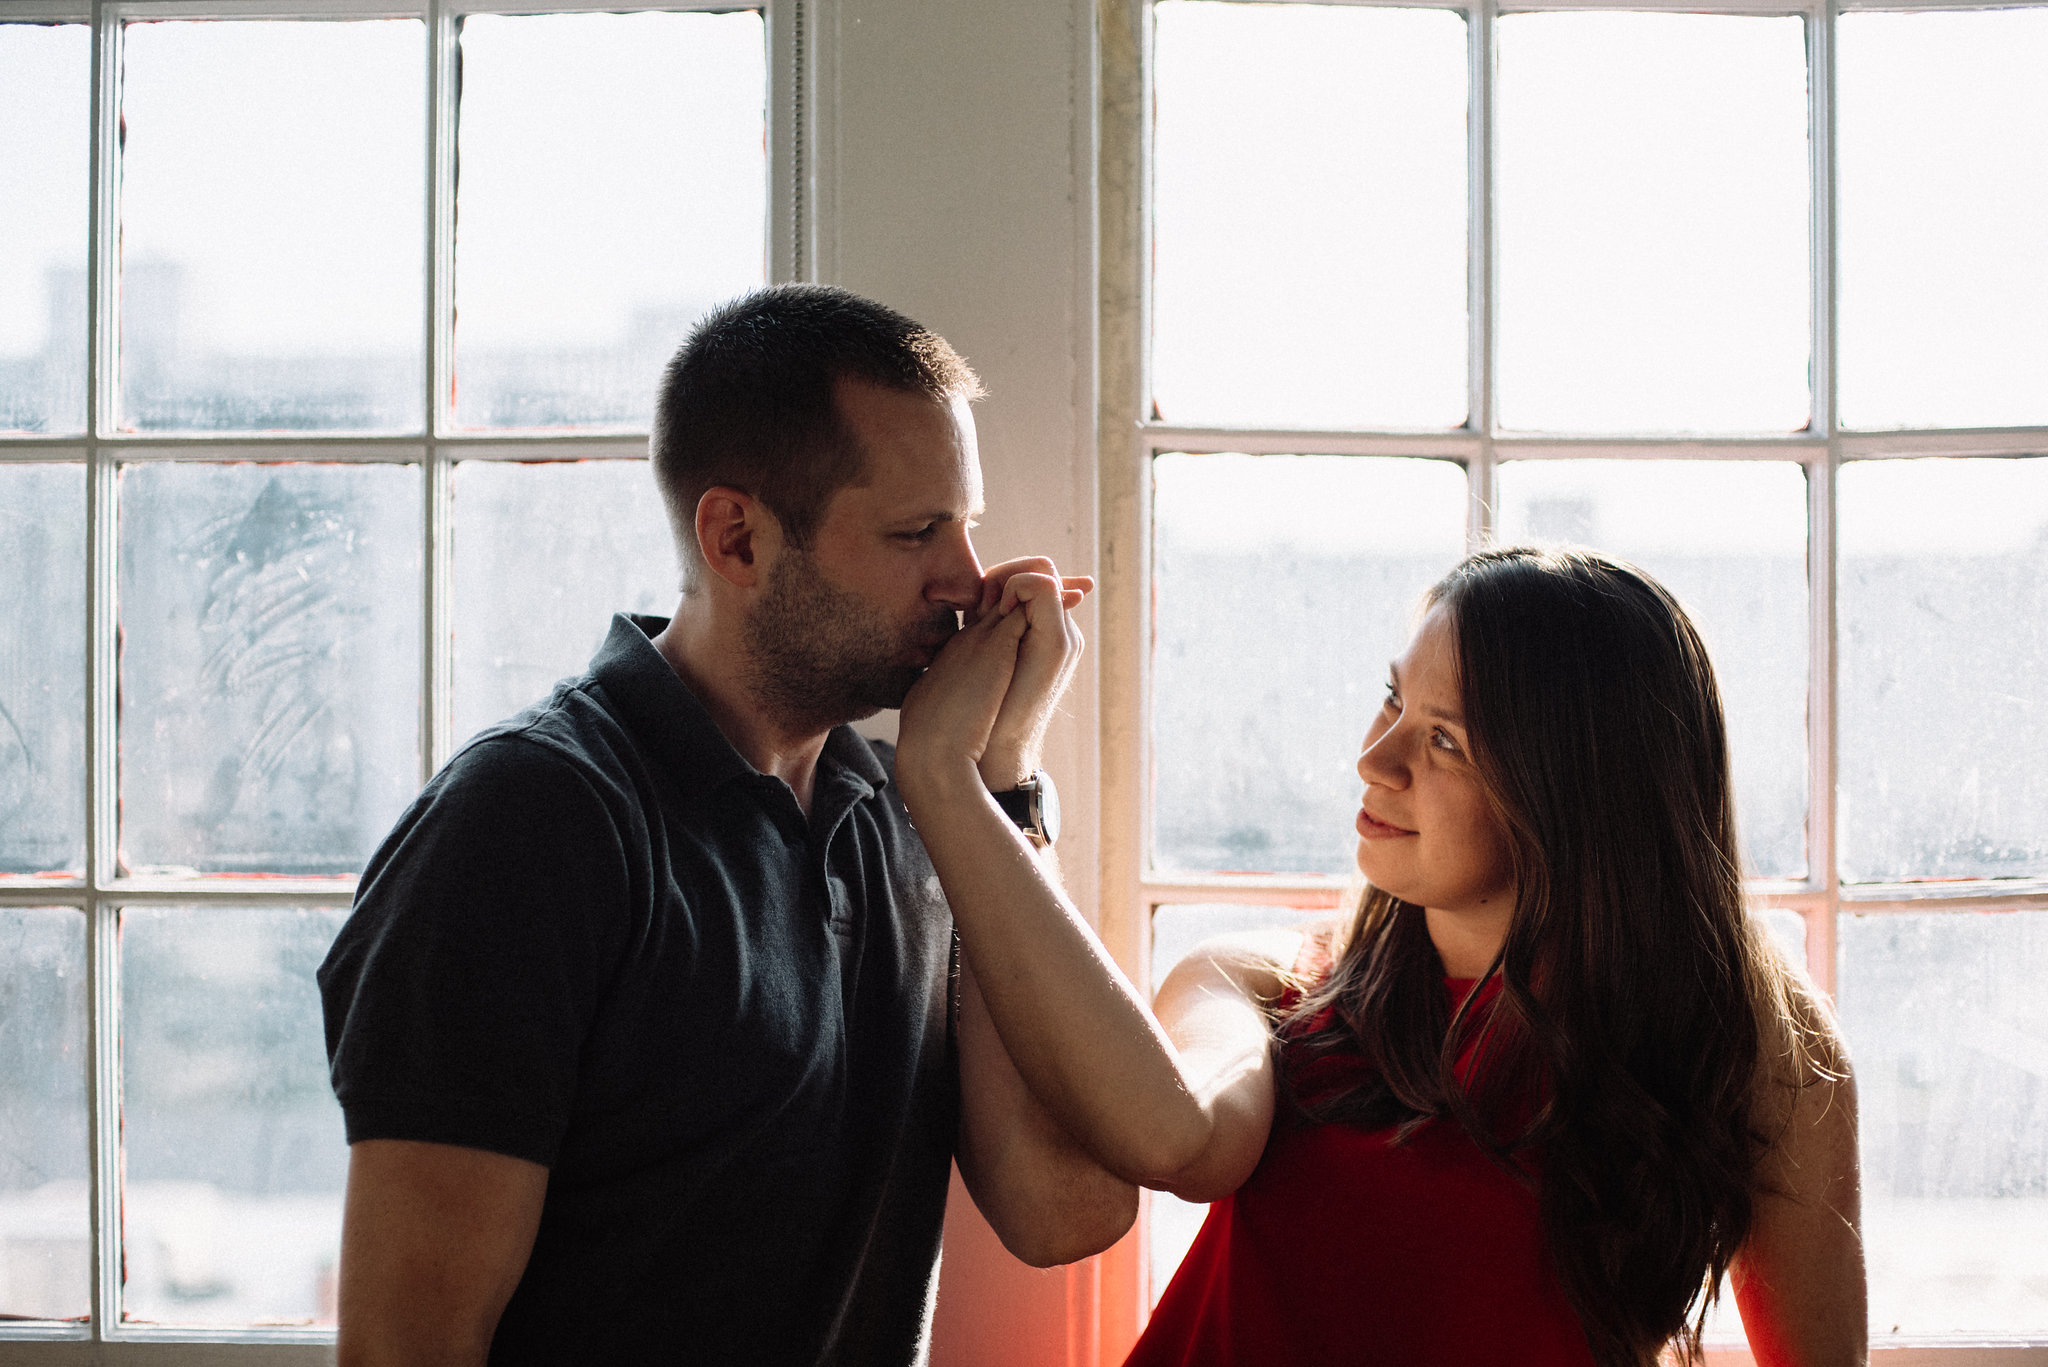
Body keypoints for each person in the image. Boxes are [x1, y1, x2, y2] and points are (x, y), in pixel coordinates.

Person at [317, 284, 1130, 1367]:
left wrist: (1000, 774)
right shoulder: (525, 825)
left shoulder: (915, 813)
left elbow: (1062, 1208)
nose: (967, 581)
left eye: (966, 525)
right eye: (914, 531)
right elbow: (405, 1348)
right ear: (736, 536)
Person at [895, 545, 1866, 1367]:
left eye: (1442, 738)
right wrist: (987, 774)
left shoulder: (1757, 1048)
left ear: (1580, 791)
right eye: (1391, 700)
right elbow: (1174, 1142)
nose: (1376, 758)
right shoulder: (1270, 986)